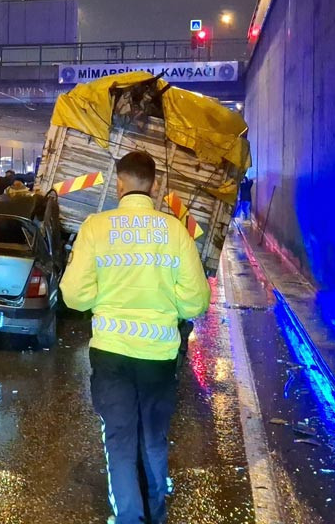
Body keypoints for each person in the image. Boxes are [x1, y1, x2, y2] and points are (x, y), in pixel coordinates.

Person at [60, 151, 208, 524]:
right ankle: (155, 514)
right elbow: (196, 301)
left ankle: (128, 517)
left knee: (120, 438)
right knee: (154, 437)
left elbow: (74, 295)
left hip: (111, 354)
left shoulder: (96, 227)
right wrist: (166, 302)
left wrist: (103, 298)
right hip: (159, 356)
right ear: (155, 186)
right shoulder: (175, 231)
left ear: (119, 184)